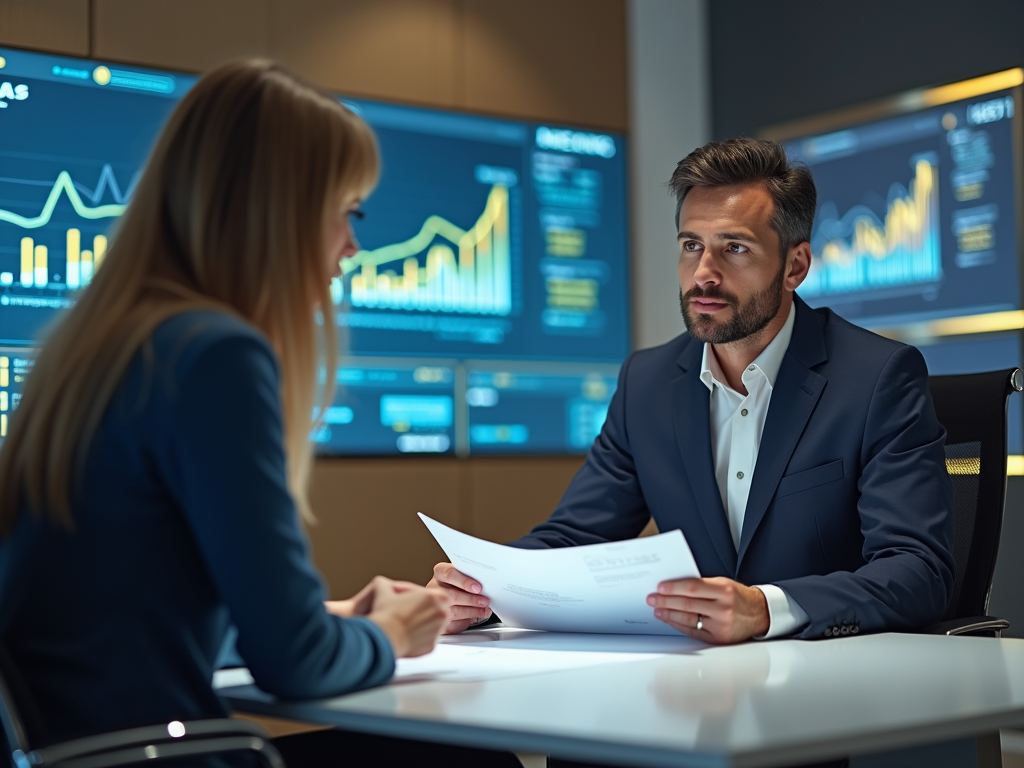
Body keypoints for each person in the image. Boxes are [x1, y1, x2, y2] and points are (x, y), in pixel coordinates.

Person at [0, 60, 522, 768]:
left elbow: (124, 622)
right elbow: (297, 665)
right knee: (469, 757)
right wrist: (393, 634)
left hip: (89, 750)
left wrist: (334, 618)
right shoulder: (215, 355)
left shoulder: (92, 347)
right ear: (282, 210)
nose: (352, 247)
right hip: (173, 756)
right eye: (347, 211)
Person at [431, 138, 955, 645]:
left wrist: (766, 607)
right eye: (691, 246)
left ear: (795, 265)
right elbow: (574, 536)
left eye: (734, 248)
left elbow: (918, 570)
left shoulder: (877, 376)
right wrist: (483, 590)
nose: (704, 273)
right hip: (698, 682)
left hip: (833, 685)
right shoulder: (648, 383)